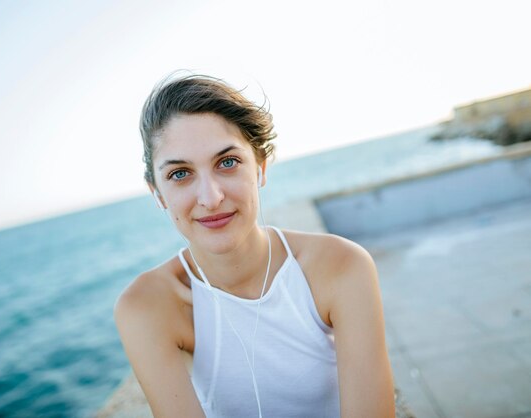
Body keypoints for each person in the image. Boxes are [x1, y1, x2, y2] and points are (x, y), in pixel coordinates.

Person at [114, 73, 395, 418]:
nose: (211, 198)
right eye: (180, 173)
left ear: (260, 168)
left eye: (228, 163)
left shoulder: (341, 265)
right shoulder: (146, 306)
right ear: (157, 192)